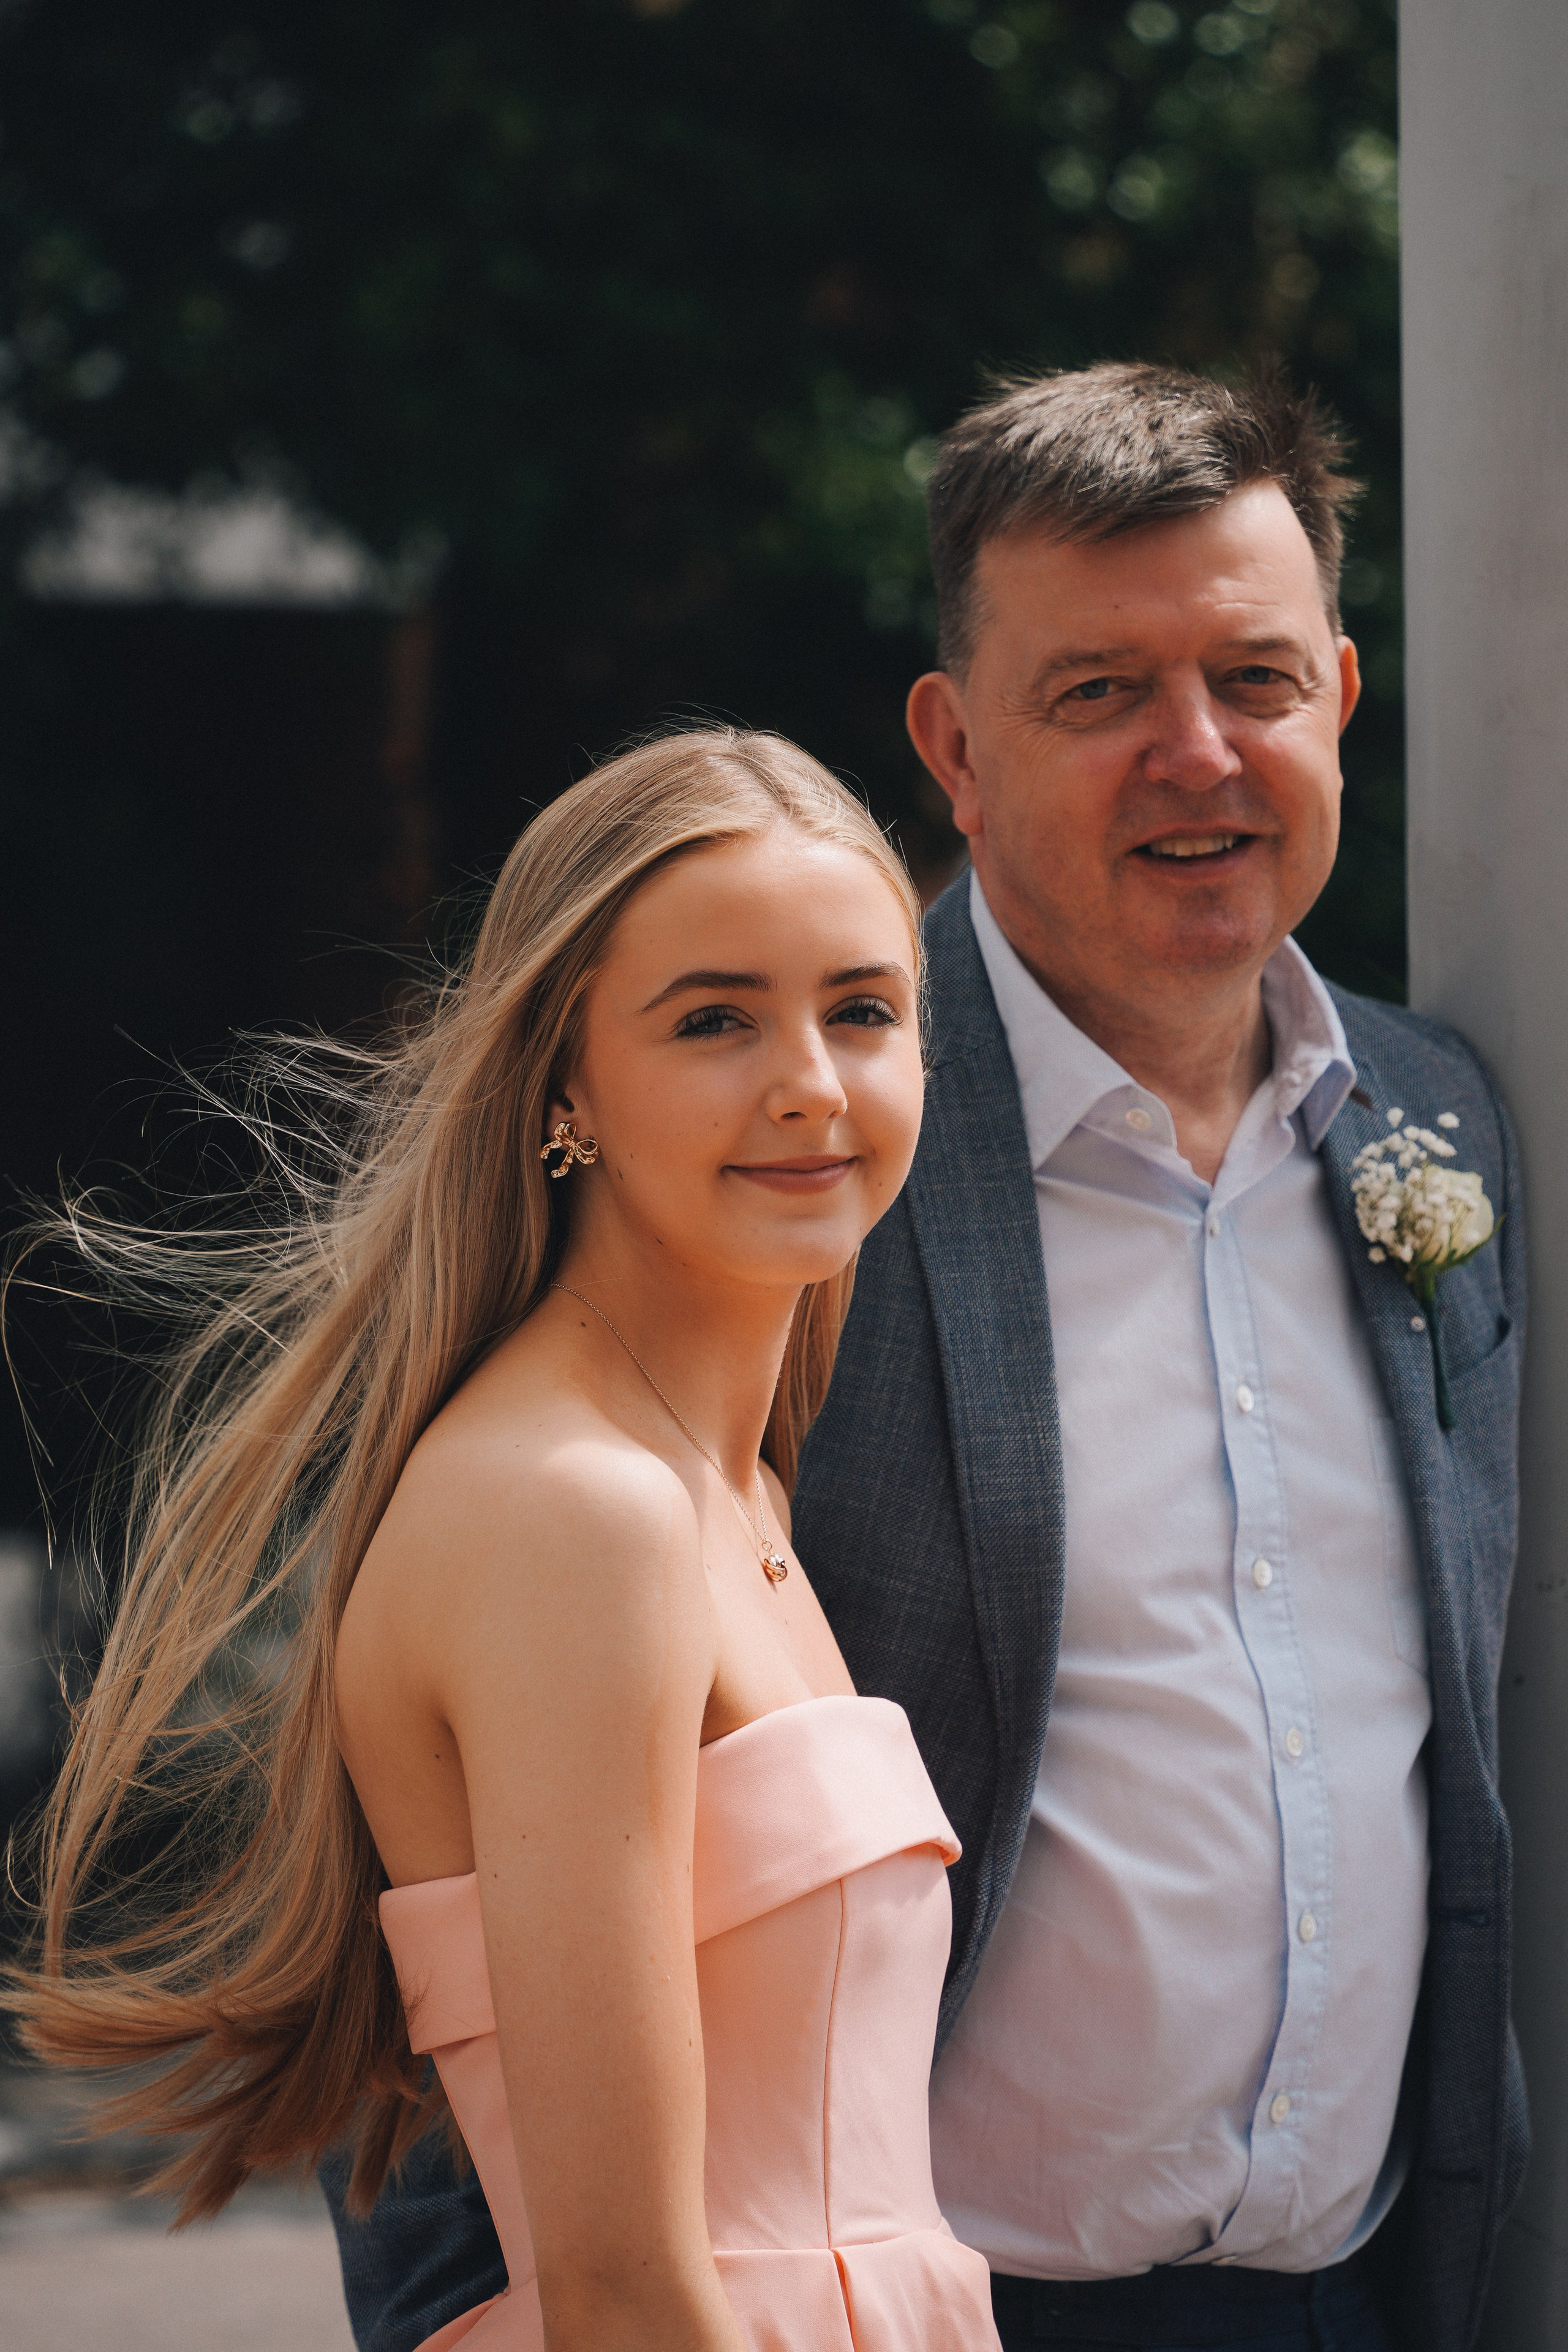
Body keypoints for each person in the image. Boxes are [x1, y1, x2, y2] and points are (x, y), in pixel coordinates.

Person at [317, 364, 1527, 2352]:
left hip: (1366, 2291)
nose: (1195, 754)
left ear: (1342, 695)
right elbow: (481, 1967)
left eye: (1254, 679)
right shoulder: (792, 1209)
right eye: (1101, 692)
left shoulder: (1443, 1124)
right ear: (952, 748)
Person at [9, 731, 1002, 2352]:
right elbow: (621, 2288)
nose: (813, 1080)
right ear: (562, 1086)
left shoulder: (721, 1480)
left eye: (865, 1010)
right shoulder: (578, 1511)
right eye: (713, 1020)